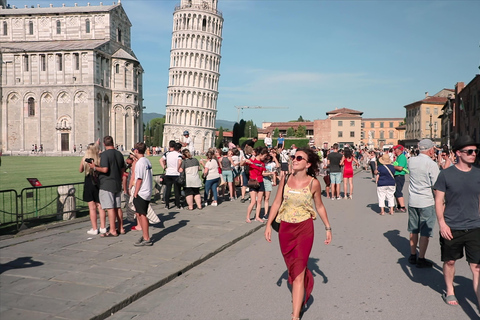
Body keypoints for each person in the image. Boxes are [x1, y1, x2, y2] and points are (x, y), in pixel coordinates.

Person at [265, 148, 332, 320]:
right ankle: (303, 289)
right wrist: (267, 225)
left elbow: (319, 206)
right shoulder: (286, 178)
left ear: (308, 164)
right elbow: (277, 201)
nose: (294, 159)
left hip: (304, 229)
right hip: (286, 229)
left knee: (299, 272)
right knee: (292, 269)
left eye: (299, 157)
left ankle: (295, 316)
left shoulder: (313, 183)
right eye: (293, 156)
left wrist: (327, 227)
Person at [433, 135, 480, 307]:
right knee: (450, 261)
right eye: (469, 151)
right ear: (458, 153)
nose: (473, 154)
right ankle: (450, 290)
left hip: (475, 226)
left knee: (477, 267)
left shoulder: (478, 174)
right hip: (452, 226)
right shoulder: (446, 175)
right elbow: (439, 201)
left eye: (475, 151)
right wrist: (442, 224)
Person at [407, 139, 439, 267]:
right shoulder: (431, 164)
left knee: (413, 229)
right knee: (425, 231)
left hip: (413, 200)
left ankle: (413, 254)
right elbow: (436, 185)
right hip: (426, 201)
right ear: (430, 149)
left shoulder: (411, 161)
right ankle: (421, 258)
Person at [88, 136, 125, 237]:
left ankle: (112, 230)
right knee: (118, 207)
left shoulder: (104, 155)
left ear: (104, 144)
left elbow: (105, 169)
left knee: (110, 208)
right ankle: (121, 228)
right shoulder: (119, 154)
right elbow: (122, 170)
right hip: (117, 183)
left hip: (107, 184)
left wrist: (94, 167)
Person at [79, 142, 106, 235]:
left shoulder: (84, 159)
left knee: (92, 208)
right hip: (98, 182)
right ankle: (103, 227)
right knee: (100, 206)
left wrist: (83, 161)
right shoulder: (99, 159)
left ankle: (95, 228)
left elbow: (80, 170)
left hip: (88, 183)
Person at [132, 142, 153, 246]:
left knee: (142, 215)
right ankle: (145, 235)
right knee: (140, 214)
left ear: (136, 150)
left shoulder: (140, 163)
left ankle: (146, 237)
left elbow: (139, 179)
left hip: (142, 192)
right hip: (147, 190)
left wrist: (135, 192)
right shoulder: (146, 160)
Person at [245, 147, 268, 223]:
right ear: (261, 154)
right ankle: (248, 217)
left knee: (259, 200)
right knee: (253, 201)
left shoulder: (262, 163)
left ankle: (257, 217)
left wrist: (271, 173)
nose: (265, 158)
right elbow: (242, 163)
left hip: (260, 182)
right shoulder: (252, 160)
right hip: (253, 182)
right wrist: (246, 160)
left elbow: (263, 173)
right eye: (264, 156)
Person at [160, 140, 183, 210]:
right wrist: (178, 168)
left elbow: (160, 160)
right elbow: (179, 162)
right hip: (175, 173)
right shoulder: (179, 154)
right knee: (176, 190)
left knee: (168, 190)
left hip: (168, 173)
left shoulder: (167, 154)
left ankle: (167, 205)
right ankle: (178, 205)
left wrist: (164, 167)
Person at [262, 149, 279, 219]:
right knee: (260, 198)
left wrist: (274, 156)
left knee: (267, 198)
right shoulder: (262, 163)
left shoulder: (272, 163)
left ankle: (266, 213)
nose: (268, 158)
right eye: (267, 156)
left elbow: (278, 165)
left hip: (268, 180)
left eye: (269, 157)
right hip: (262, 179)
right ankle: (259, 212)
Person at [393, 145, 408, 212]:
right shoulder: (398, 157)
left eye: (395, 149)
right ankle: (398, 206)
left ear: (398, 150)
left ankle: (402, 207)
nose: (394, 151)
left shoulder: (402, 157)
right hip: (397, 176)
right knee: (396, 192)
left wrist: (393, 167)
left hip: (400, 176)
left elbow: (400, 168)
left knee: (398, 191)